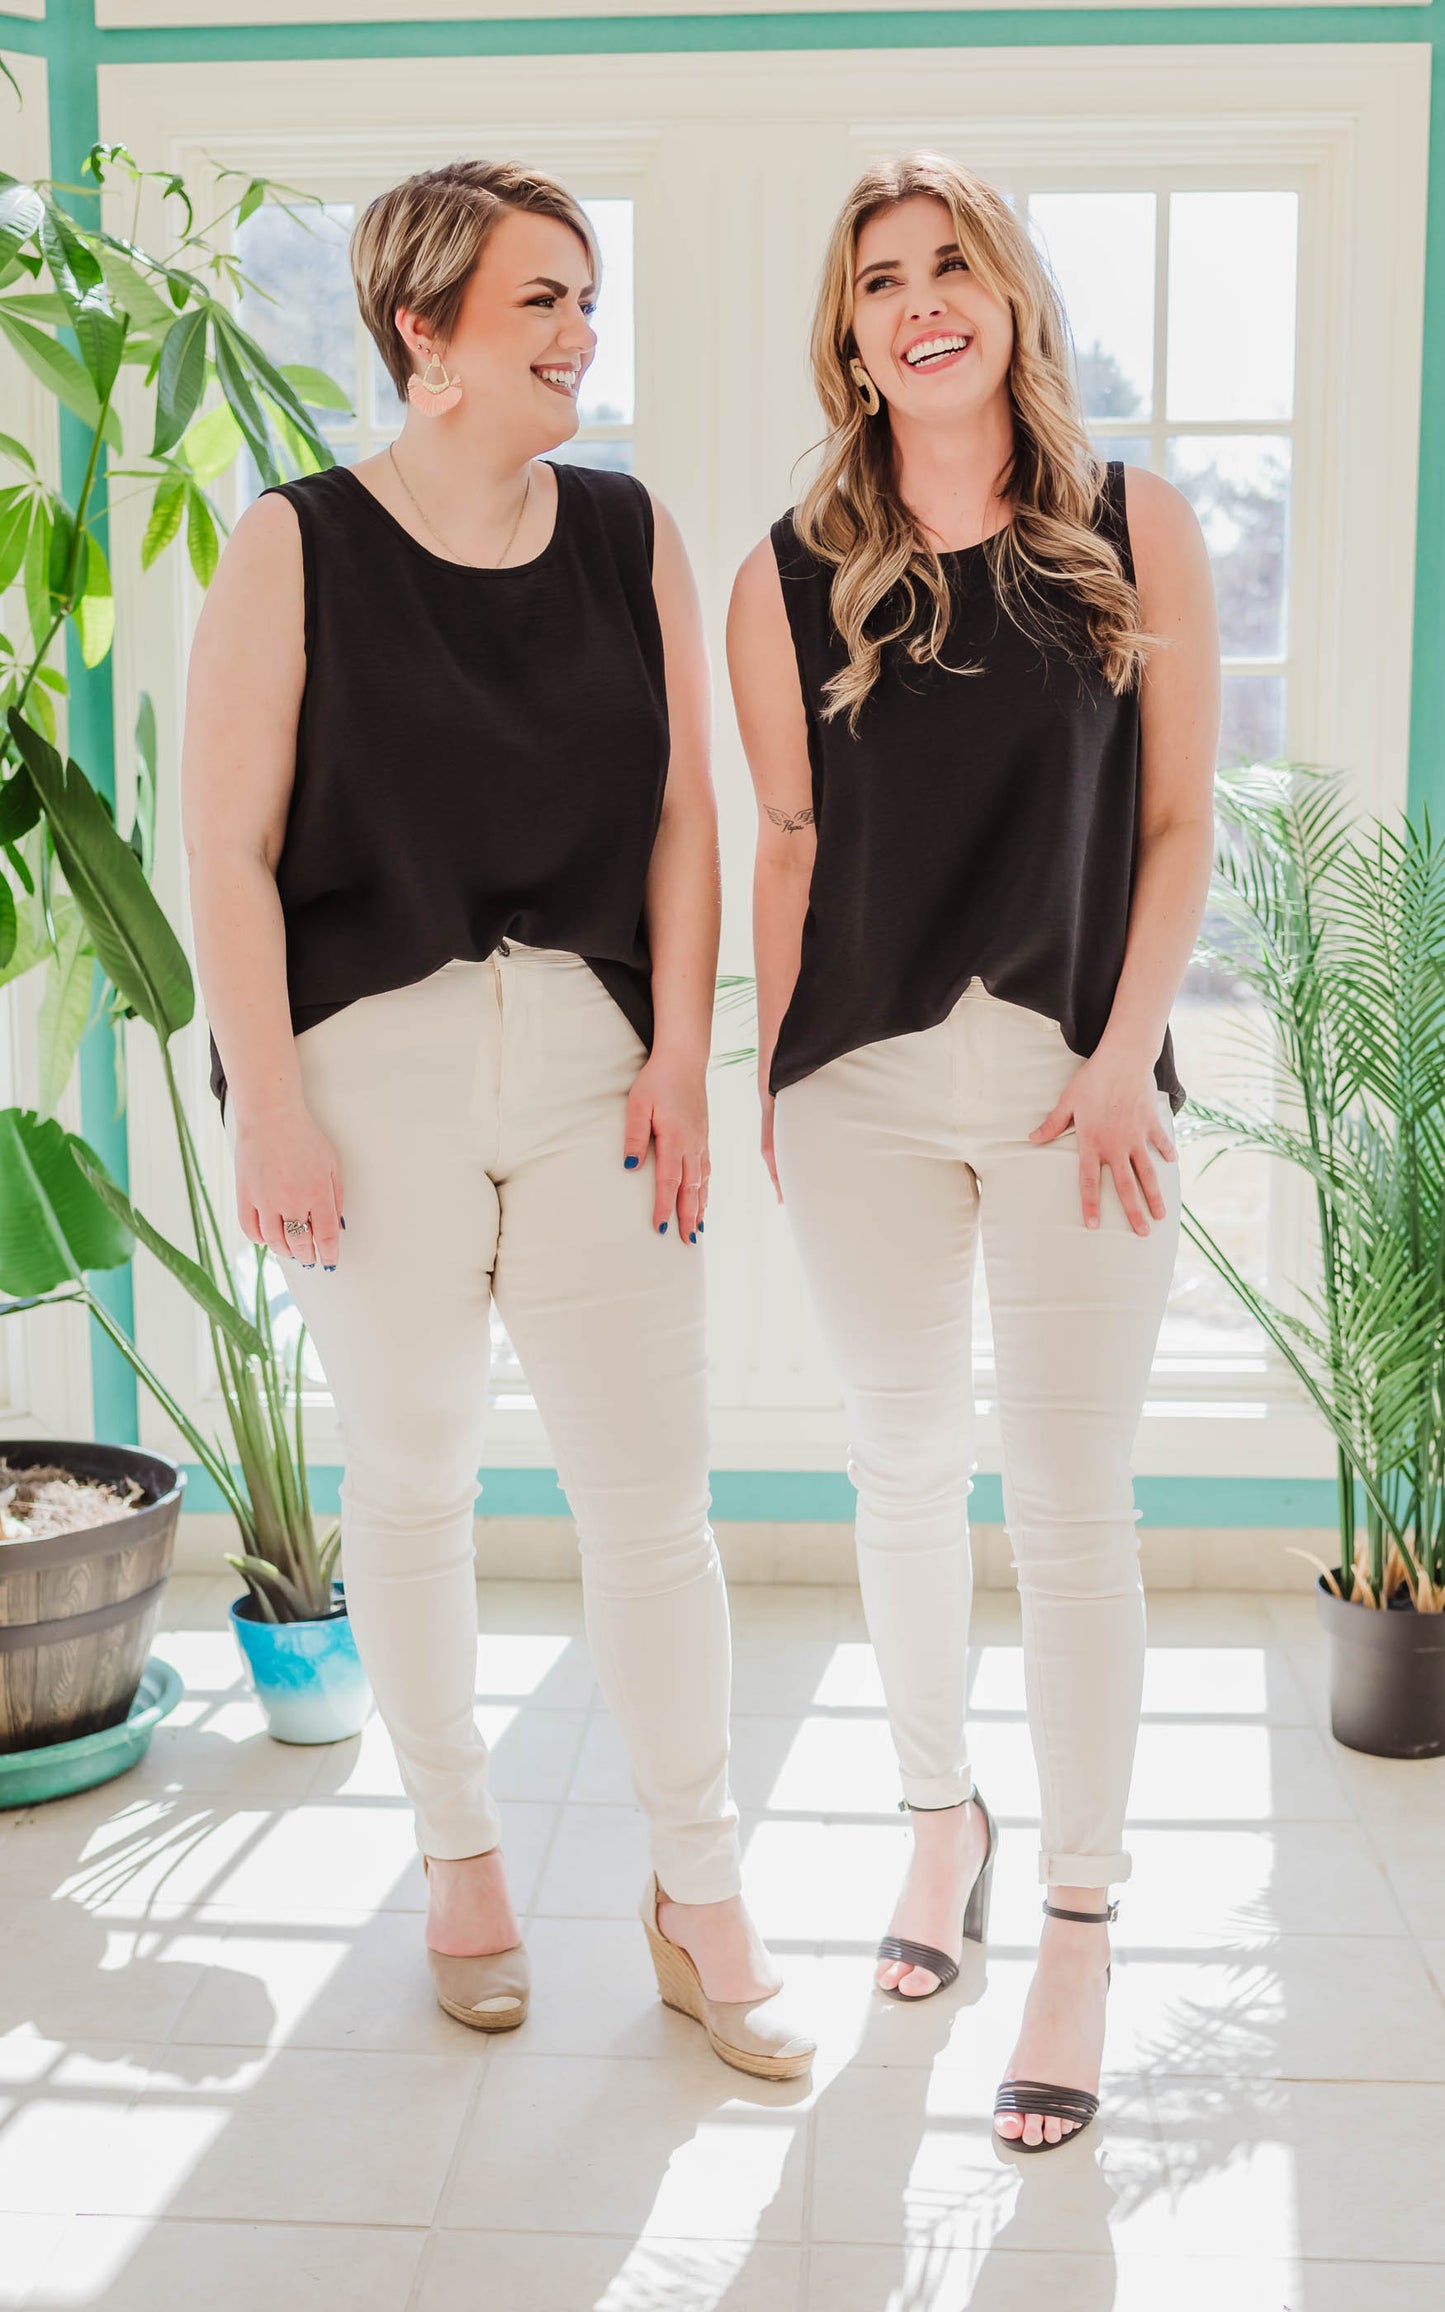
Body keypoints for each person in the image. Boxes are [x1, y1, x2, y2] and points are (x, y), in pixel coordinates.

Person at [182, 158, 812, 2081]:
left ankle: (697, 1893)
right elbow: (224, 841)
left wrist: (676, 1057)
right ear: (423, 335)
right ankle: (461, 1858)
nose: (578, 333)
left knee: (650, 1499)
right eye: (538, 300)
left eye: (584, 295)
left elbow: (686, 813)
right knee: (418, 1477)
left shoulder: (627, 531)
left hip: (592, 1062)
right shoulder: (294, 543)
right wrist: (270, 1104)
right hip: (363, 1071)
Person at [727, 153, 1218, 2148]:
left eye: (949, 265)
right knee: (905, 1459)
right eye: (879, 283)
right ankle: (941, 1827)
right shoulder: (787, 563)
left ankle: (1083, 1916)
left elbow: (1179, 827)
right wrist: (773, 1069)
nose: (919, 302)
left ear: (1007, 292)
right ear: (846, 338)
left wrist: (1119, 1062)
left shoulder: (1131, 525)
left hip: (1076, 1081)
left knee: (1071, 1498)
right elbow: (787, 839)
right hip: (857, 1083)